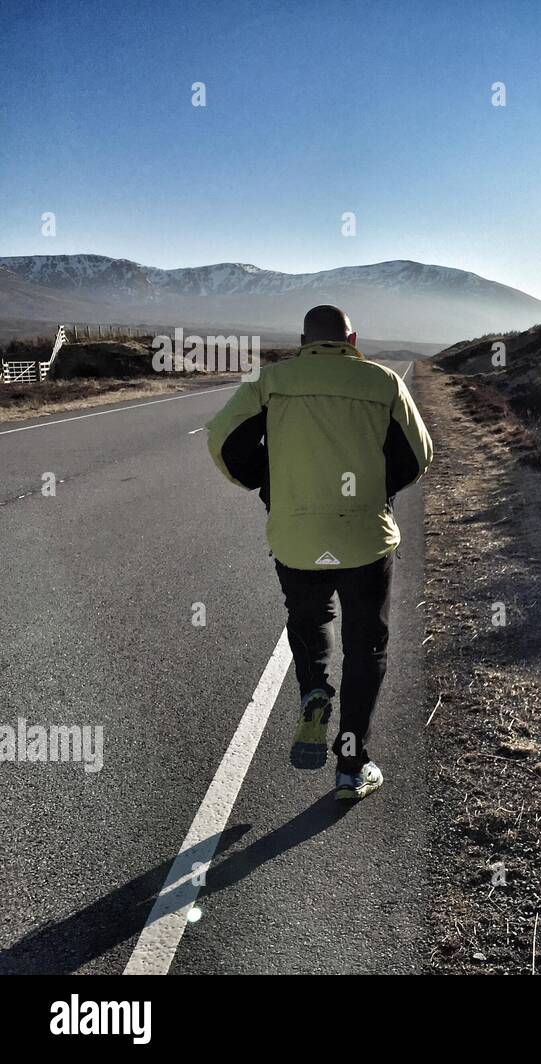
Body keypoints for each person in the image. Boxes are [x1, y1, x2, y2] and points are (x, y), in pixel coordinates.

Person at [206, 305, 433, 799]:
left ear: (304, 339)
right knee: (367, 643)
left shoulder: (270, 382)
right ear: (353, 339)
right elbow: (418, 457)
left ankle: (313, 688)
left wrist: (266, 483)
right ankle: (352, 763)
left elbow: (221, 440)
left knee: (309, 622)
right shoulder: (384, 383)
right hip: (365, 537)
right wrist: (378, 490)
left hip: (296, 536)